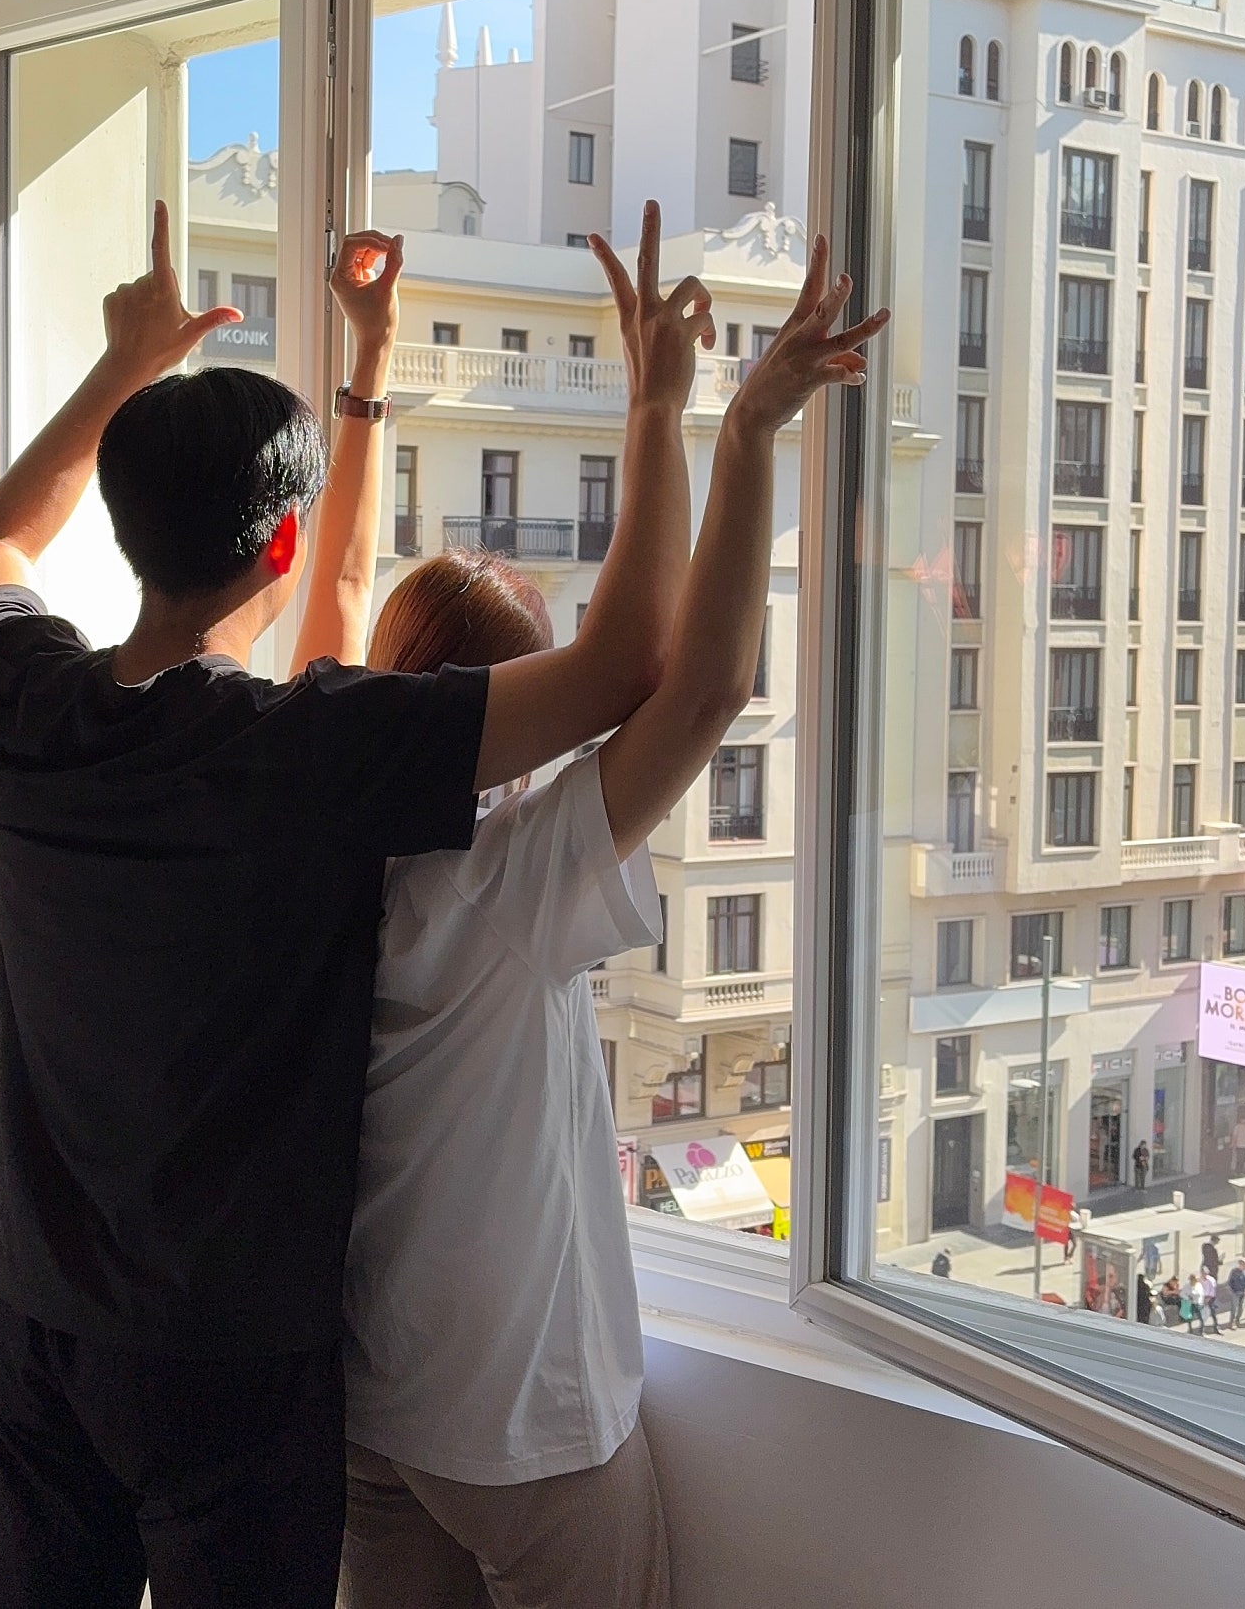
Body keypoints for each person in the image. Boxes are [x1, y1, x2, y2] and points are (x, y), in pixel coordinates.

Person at [0, 205, 698, 1609]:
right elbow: (623, 666)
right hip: (225, 1362)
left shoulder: (23, 696)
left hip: (32, 1310)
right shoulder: (296, 757)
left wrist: (129, 364)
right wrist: (660, 402)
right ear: (278, 543)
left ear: (125, 524)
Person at [330, 217, 884, 1609]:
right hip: (518, 1427)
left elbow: (334, 601)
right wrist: (728, 427)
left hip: (367, 1404)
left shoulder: (311, 827)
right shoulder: (499, 870)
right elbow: (698, 690)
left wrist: (369, 370)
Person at [1226, 1256, 1245, 1328]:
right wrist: (1231, 1290)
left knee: (1241, 1308)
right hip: (1235, 1293)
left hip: (1244, 1293)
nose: (1244, 1266)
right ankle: (1232, 1323)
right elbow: (1230, 1282)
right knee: (1234, 1308)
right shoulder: (1234, 1272)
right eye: (1243, 1265)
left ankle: (1237, 1320)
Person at [1197, 1265, 1221, 1334]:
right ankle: (1201, 1330)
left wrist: (1208, 1298)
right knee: (1202, 1314)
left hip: (1210, 1298)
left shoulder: (1211, 1280)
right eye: (1203, 1273)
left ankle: (1216, 1327)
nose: (1204, 1275)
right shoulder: (1198, 1280)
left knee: (1213, 1312)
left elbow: (1212, 1290)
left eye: (1205, 1273)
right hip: (1201, 1298)